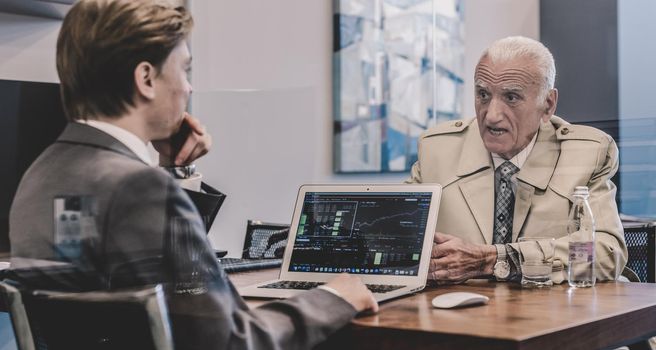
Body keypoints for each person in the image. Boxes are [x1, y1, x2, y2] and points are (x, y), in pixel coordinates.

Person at [8, 0, 377, 349]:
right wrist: (333, 297)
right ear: (146, 78)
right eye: (185, 69)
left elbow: (160, 279)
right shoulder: (139, 187)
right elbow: (234, 342)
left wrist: (175, 171)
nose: (189, 87)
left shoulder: (40, 175)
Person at [407, 36, 627, 284]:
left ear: (548, 105)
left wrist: (495, 260)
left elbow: (606, 253)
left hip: (552, 312)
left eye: (511, 97)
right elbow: (392, 237)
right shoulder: (437, 150)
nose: (491, 116)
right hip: (459, 314)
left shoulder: (585, 154)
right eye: (483, 95)